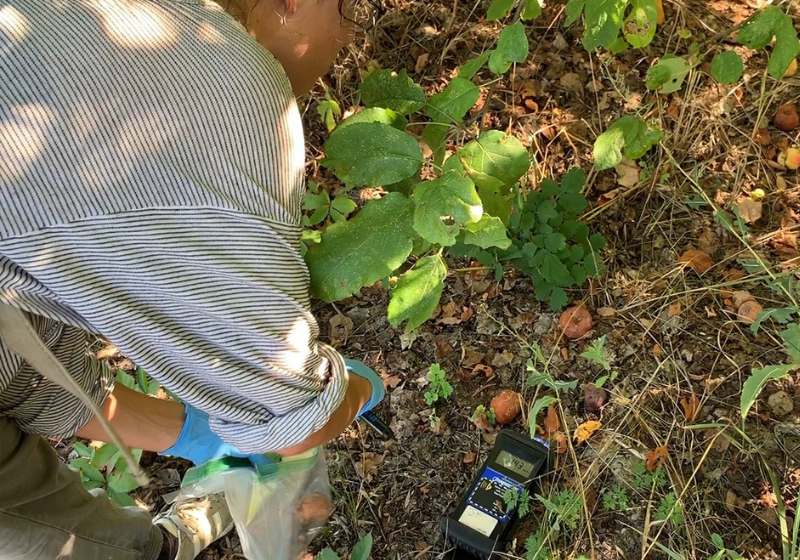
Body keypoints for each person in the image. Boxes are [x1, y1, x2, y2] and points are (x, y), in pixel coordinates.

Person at [0, 0, 383, 558]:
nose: (346, 43)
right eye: (352, 21)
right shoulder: (236, 105)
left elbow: (19, 353)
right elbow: (292, 418)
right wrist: (359, 389)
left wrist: (187, 432)